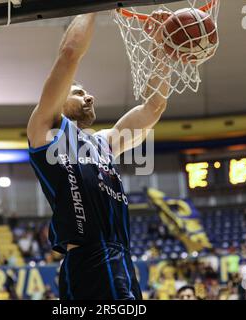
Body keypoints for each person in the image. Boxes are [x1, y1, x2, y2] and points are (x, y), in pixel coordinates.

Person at [27, 12, 170, 300]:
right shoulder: (46, 132)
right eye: (79, 92)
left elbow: (154, 107)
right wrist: (93, 6)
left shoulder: (103, 142)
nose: (89, 97)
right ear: (58, 98)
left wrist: (162, 47)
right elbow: (69, 53)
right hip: (90, 260)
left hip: (123, 259)